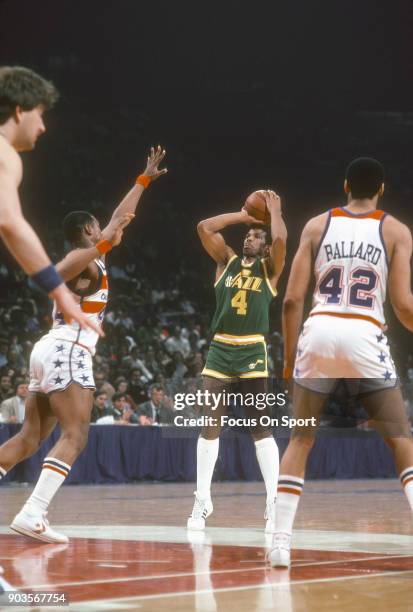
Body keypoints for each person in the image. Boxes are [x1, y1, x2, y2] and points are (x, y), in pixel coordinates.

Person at [0, 145, 167, 543]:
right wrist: (105, 239)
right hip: (68, 350)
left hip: (48, 349)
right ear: (89, 231)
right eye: (99, 227)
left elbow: (116, 219)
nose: (107, 227)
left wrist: (142, 180)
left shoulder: (95, 255)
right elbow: (56, 271)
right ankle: (33, 513)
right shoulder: (83, 259)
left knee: (29, 439)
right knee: (75, 436)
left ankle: (32, 512)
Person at [269, 157, 413, 567]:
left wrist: (289, 359)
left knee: (301, 440)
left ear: (345, 184)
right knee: (400, 439)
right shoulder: (396, 231)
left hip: (319, 331)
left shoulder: (317, 225)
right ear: (381, 189)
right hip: (365, 331)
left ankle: (280, 543)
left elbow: (292, 300)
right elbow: (403, 306)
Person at [187, 190, 287, 532]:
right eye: (248, 235)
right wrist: (244, 215)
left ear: (266, 246)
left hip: (252, 350)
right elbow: (204, 227)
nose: (250, 238)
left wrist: (273, 214)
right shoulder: (225, 261)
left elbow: (282, 239)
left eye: (257, 236)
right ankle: (202, 499)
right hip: (220, 348)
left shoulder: (270, 270)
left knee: (260, 426)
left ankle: (273, 502)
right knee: (208, 423)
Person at [0, 65, 102, 333]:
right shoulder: (4, 153)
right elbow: (10, 222)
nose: (43, 127)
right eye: (40, 114)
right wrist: (59, 292)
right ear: (20, 110)